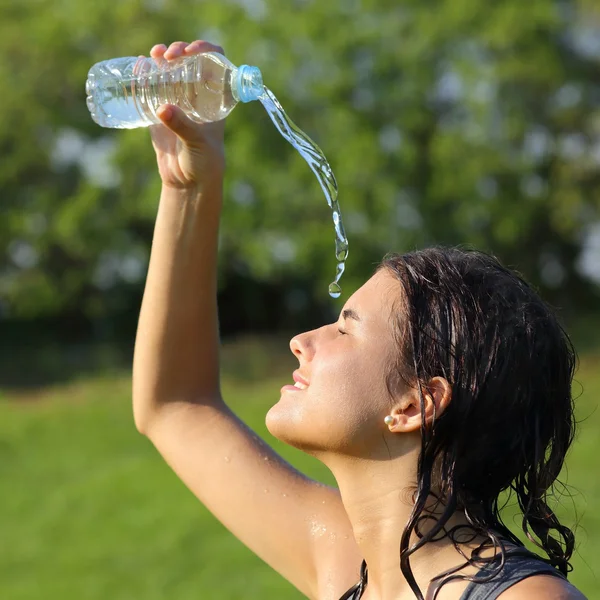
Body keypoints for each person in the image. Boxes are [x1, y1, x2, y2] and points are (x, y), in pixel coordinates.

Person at [132, 40, 587, 600]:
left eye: (345, 329)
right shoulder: (347, 561)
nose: (302, 341)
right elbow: (176, 405)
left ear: (415, 403)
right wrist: (187, 186)